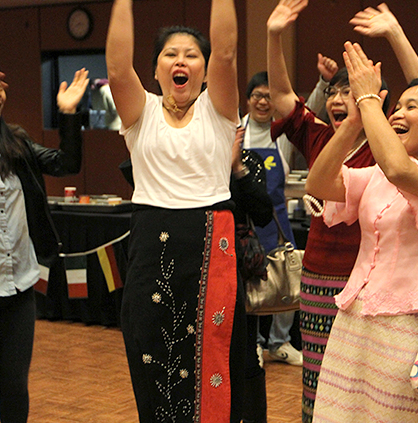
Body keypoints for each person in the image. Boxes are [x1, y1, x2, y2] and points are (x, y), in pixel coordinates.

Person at [306, 41, 418, 422]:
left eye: (410, 106)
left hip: (406, 324)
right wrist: (354, 121)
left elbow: (401, 170)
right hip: (352, 315)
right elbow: (318, 184)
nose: (397, 113)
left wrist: (370, 98)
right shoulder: (378, 175)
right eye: (395, 106)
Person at [266, 1, 418, 420]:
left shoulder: (389, 140)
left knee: (367, 389)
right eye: (333, 91)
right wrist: (273, 34)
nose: (339, 98)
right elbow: (283, 96)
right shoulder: (320, 138)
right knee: (318, 384)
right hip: (320, 278)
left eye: (348, 90)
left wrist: (395, 34)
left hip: (372, 285)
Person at [105, 0, 243, 421]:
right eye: (170, 54)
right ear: (156, 69)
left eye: (190, 55)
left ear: (202, 69)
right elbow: (115, 68)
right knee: (149, 350)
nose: (181, 61)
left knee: (208, 356)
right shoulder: (140, 112)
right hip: (150, 239)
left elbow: (225, 51)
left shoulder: (217, 110)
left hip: (209, 241)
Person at [0, 58, 87, 422]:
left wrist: (69, 115)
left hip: (17, 287)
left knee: (15, 388)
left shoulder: (16, 143)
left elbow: (65, 164)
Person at [241, 71, 303, 367]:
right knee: (250, 285)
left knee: (289, 281)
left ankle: (280, 342)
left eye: (269, 96)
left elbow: (308, 109)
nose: (263, 101)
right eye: (257, 95)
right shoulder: (235, 131)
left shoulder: (283, 134)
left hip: (277, 222)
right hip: (245, 224)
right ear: (248, 99)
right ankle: (252, 343)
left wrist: (322, 83)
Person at [230, 127, 273, 423]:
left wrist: (237, 169)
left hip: (238, 270)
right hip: (193, 263)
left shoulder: (249, 161)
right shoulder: (187, 155)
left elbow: (263, 214)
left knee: (245, 354)